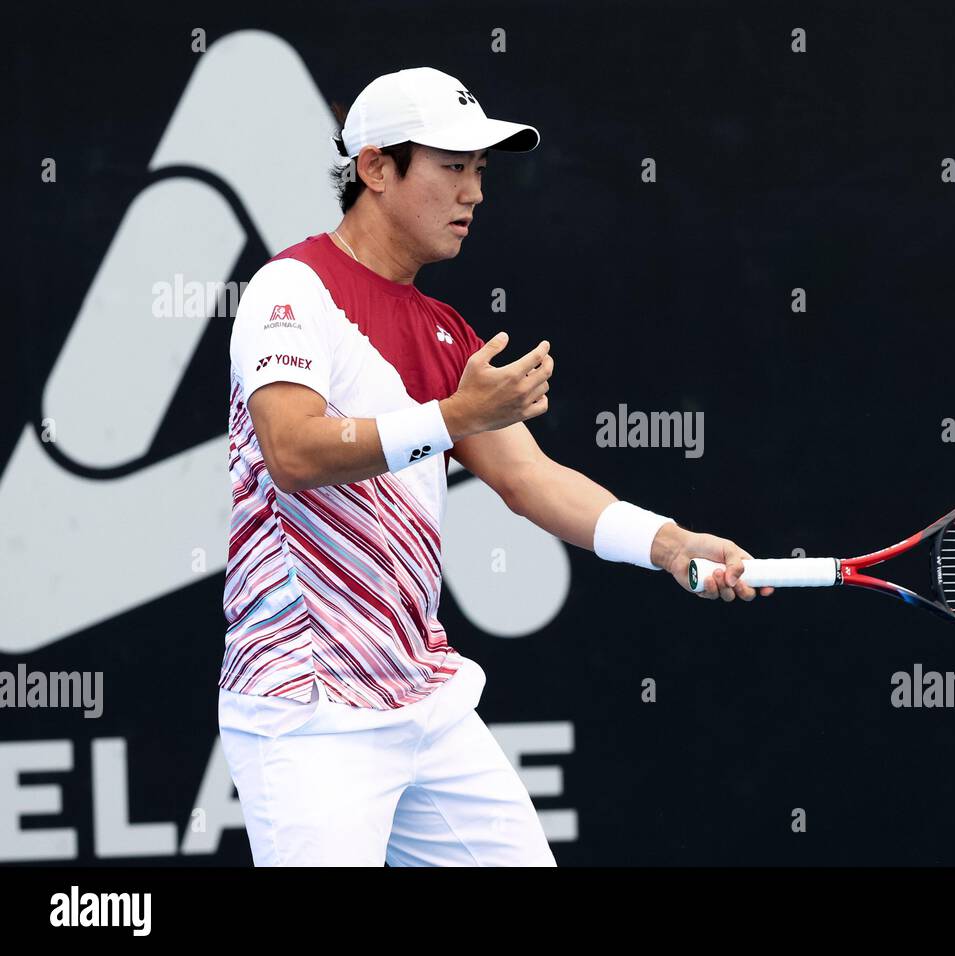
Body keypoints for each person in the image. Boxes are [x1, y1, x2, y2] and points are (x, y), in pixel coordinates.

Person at [217, 67, 773, 866]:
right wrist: (453, 417)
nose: (474, 192)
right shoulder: (293, 288)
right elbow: (294, 451)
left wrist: (670, 541)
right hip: (309, 710)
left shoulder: (446, 332)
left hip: (426, 703)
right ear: (375, 169)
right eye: (451, 166)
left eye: (480, 170)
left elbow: (529, 480)